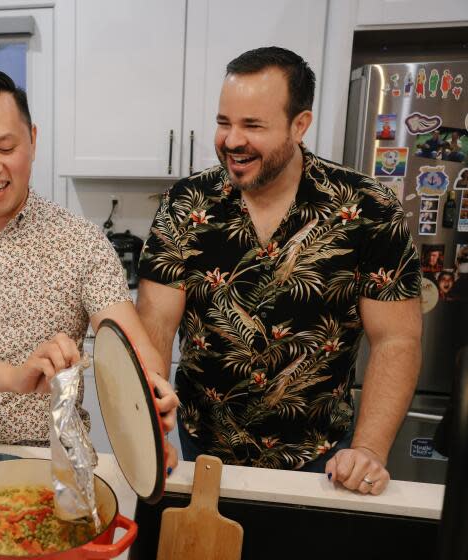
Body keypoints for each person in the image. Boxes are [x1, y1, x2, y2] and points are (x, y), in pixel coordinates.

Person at [136, 47, 422, 496]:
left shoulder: (369, 209)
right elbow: (154, 322)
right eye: (224, 122)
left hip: (322, 459)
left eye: (252, 125)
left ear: (299, 124)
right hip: (201, 449)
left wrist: (369, 448)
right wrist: (148, 429)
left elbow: (396, 339)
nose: (232, 140)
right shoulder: (185, 203)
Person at [0, 70, 178, 465]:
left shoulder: (81, 241)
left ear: (32, 139)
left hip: (59, 460)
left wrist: (151, 391)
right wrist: (15, 378)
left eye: (6, 147)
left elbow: (130, 343)